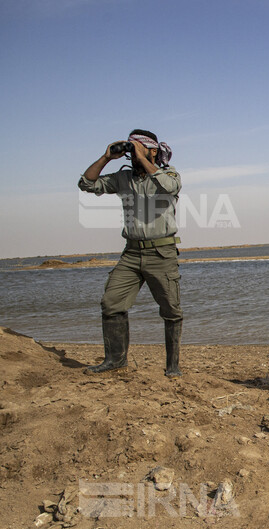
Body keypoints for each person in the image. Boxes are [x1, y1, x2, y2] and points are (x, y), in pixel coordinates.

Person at [79, 130, 183, 377]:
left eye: (138, 147)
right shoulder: (123, 178)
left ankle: (172, 366)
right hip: (131, 253)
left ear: (153, 151)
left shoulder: (168, 173)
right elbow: (87, 183)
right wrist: (106, 158)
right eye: (130, 148)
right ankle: (115, 360)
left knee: (171, 309)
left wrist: (144, 158)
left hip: (161, 252)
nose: (132, 153)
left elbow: (169, 187)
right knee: (111, 303)